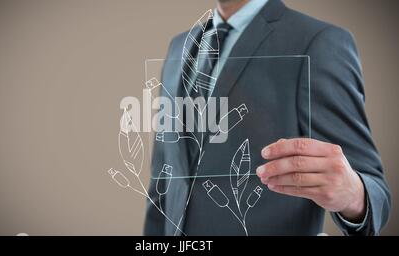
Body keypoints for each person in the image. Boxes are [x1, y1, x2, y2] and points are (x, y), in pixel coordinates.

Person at [144, 0, 390, 235]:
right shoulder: (179, 47)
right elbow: (163, 181)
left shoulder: (318, 42)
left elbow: (374, 194)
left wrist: (353, 195)